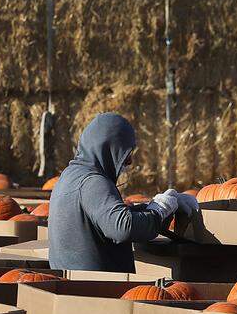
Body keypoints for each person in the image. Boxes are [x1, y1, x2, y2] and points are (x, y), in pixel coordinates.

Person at [49, 113, 197, 272]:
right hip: (97, 289)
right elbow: (122, 228)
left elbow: (101, 219)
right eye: (124, 153)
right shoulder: (93, 182)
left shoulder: (70, 176)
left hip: (75, 285)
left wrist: (154, 207)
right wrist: (158, 211)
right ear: (107, 148)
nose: (129, 161)